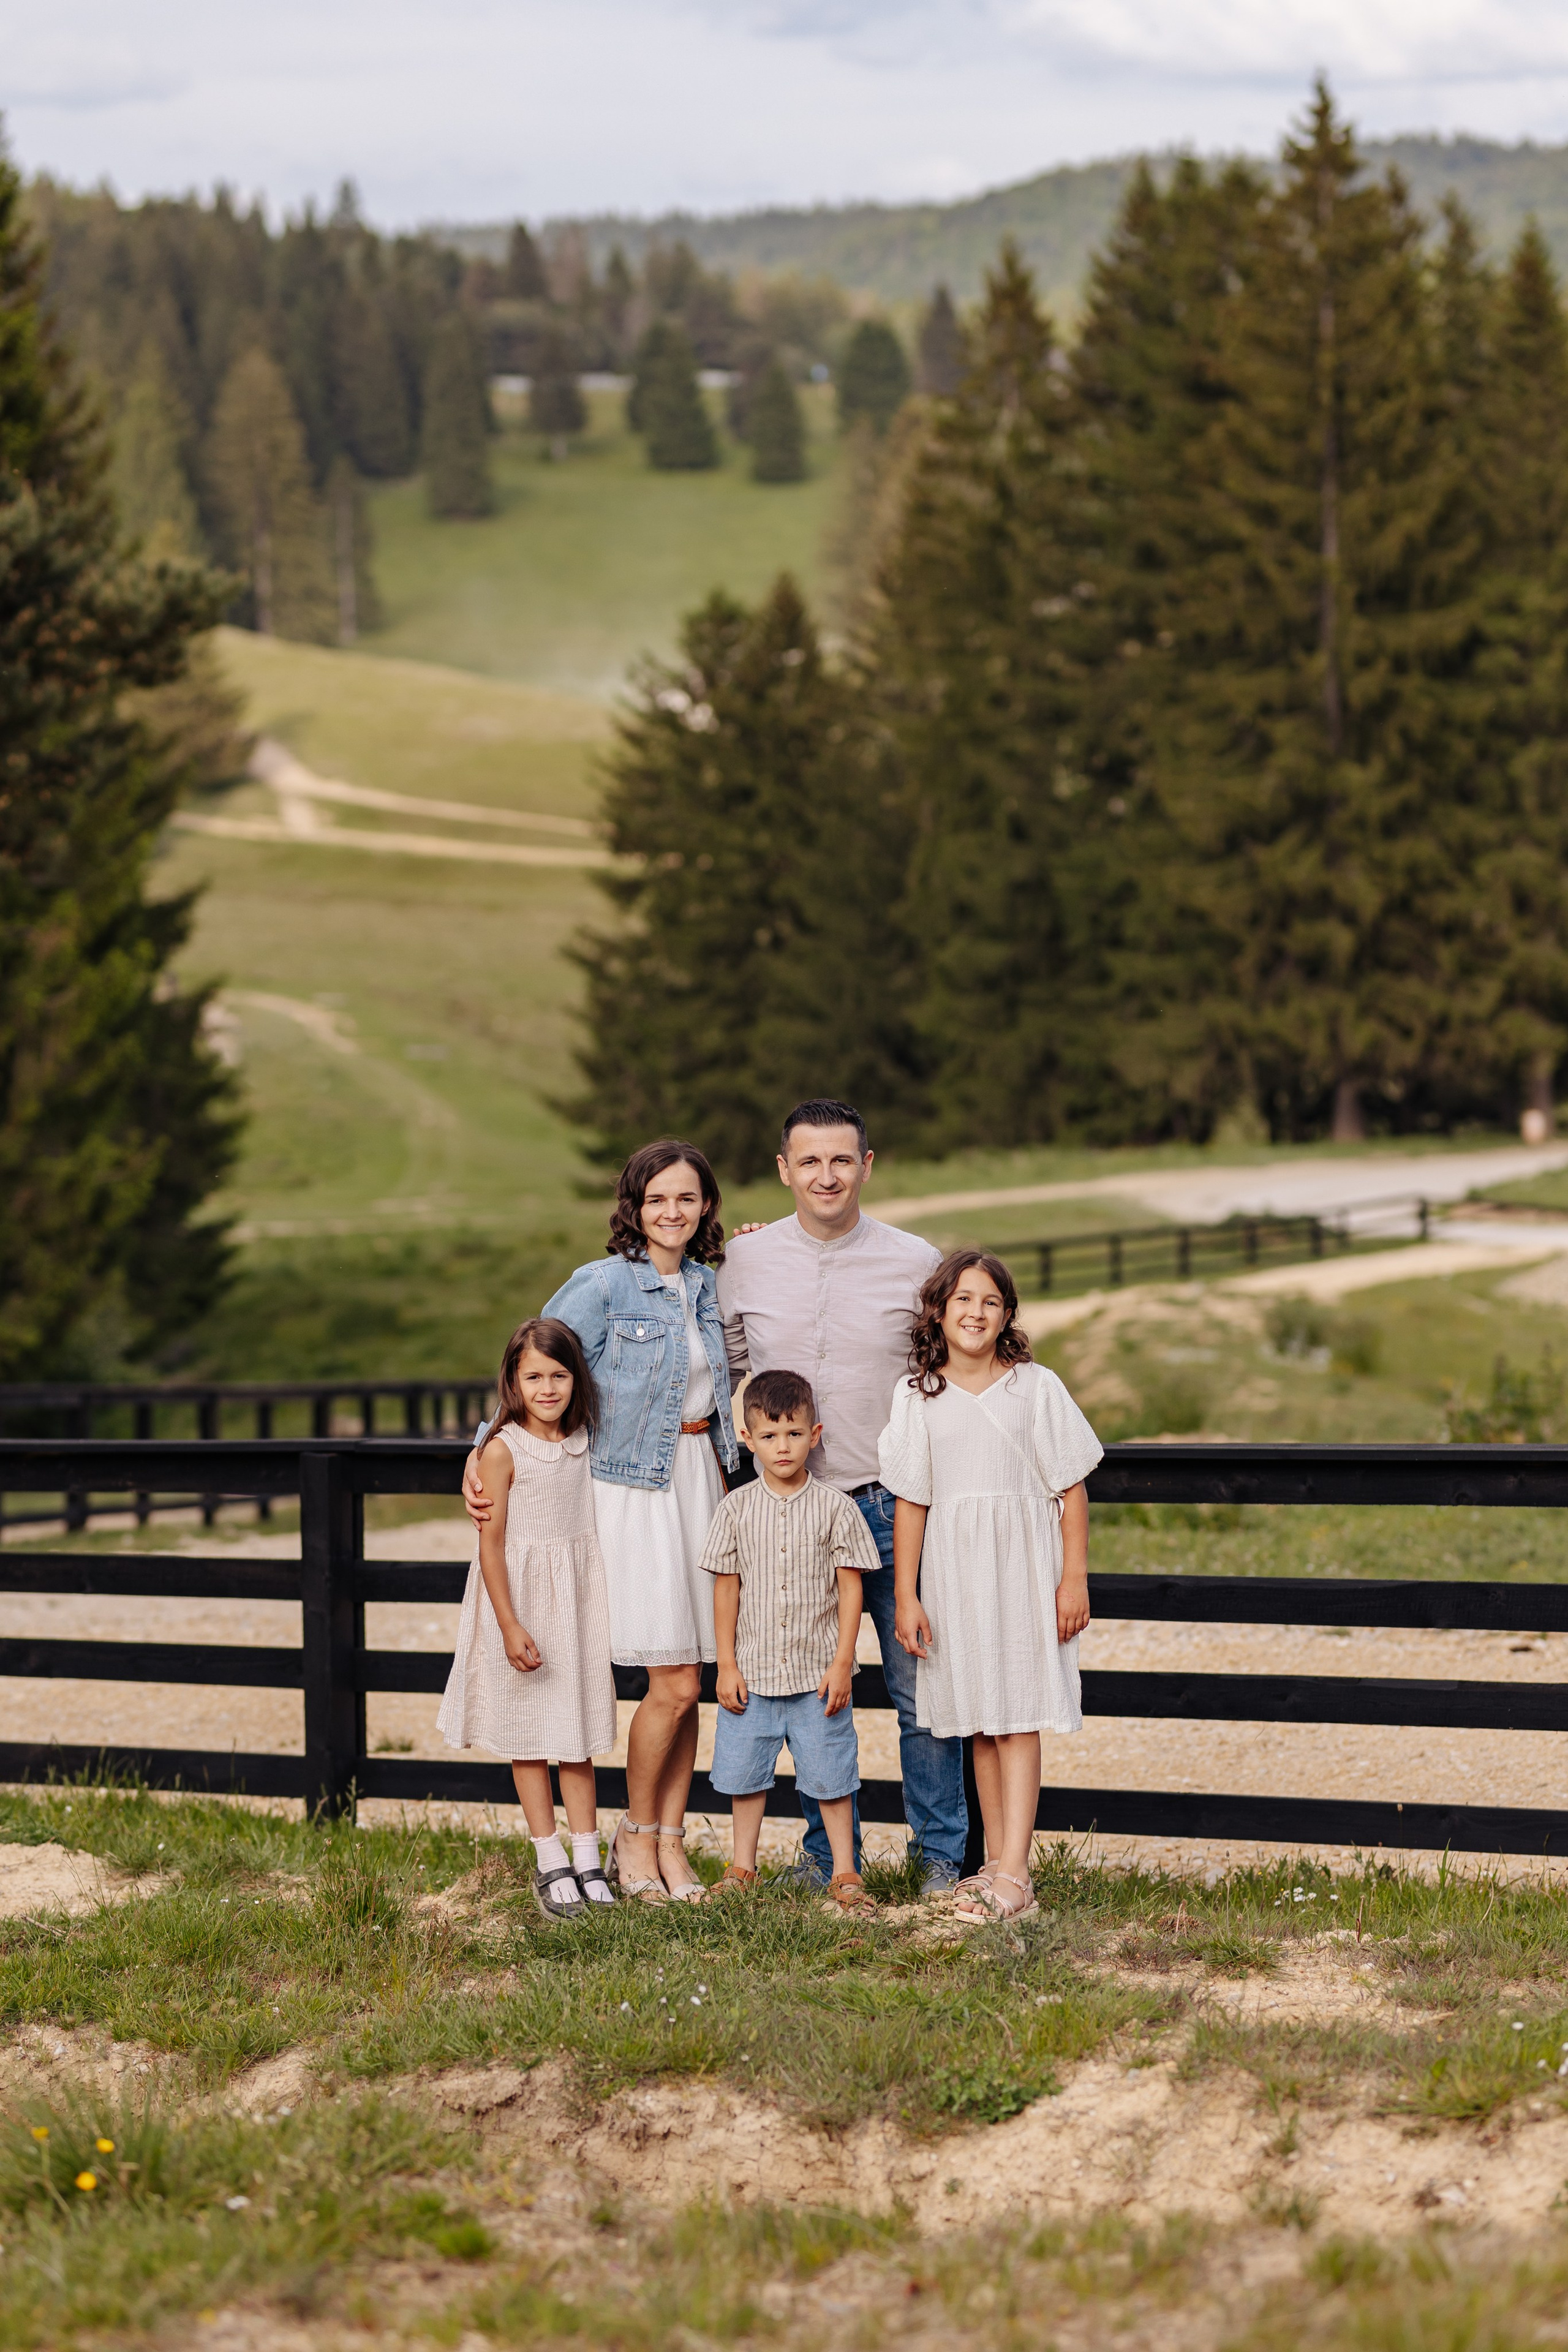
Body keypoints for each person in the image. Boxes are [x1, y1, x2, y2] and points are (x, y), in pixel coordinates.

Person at [462, 1140, 739, 1903]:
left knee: (693, 1679)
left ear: (706, 1206)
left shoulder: (709, 1287)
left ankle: (670, 1843)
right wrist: (484, 1445)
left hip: (699, 1484)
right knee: (673, 1681)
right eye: (657, 1200)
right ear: (634, 1207)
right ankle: (634, 1839)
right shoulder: (602, 1282)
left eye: (686, 1199)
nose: (671, 1213)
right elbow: (537, 1359)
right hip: (633, 1491)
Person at [717, 1098, 965, 1890]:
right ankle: (829, 1860)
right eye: (810, 1161)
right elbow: (723, 1370)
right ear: (785, 1170)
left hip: (888, 1507)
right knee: (803, 1690)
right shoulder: (745, 1263)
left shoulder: (916, 1262)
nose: (827, 1175)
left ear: (868, 1165)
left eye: (842, 1159)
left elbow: (954, 1376)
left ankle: (940, 1856)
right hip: (784, 1516)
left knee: (920, 1690)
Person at [880, 1249, 1102, 1924]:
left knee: (1017, 1715)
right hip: (953, 1570)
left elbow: (1072, 1488)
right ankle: (989, 1865)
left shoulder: (1034, 1387)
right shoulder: (917, 1394)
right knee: (978, 1718)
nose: (975, 1313)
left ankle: (1016, 1873)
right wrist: (909, 1593)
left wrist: (1072, 1579)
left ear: (1006, 1313)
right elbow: (912, 1502)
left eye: (990, 1301)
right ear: (938, 1312)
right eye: (963, 1301)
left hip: (1024, 1566)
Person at [437, 1316, 617, 1923]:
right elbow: (491, 1549)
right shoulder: (502, 1449)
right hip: (518, 1602)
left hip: (576, 1603)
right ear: (513, 1380)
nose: (547, 1388)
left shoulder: (588, 1439)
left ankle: (589, 1857)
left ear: (576, 1378)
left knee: (577, 1734)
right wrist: (510, 1624)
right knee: (528, 1736)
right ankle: (549, 1857)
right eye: (533, 1376)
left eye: (559, 1375)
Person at [701, 1368, 880, 1913]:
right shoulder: (734, 1508)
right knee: (744, 1774)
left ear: (815, 1433)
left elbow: (852, 1590)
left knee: (831, 1775)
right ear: (747, 1440)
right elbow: (726, 1590)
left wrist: (843, 1661)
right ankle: (742, 1867)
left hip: (816, 1676)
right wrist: (726, 1664)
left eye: (795, 1433)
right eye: (771, 1435)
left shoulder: (836, 1508)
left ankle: (845, 1873)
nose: (784, 1446)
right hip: (751, 1675)